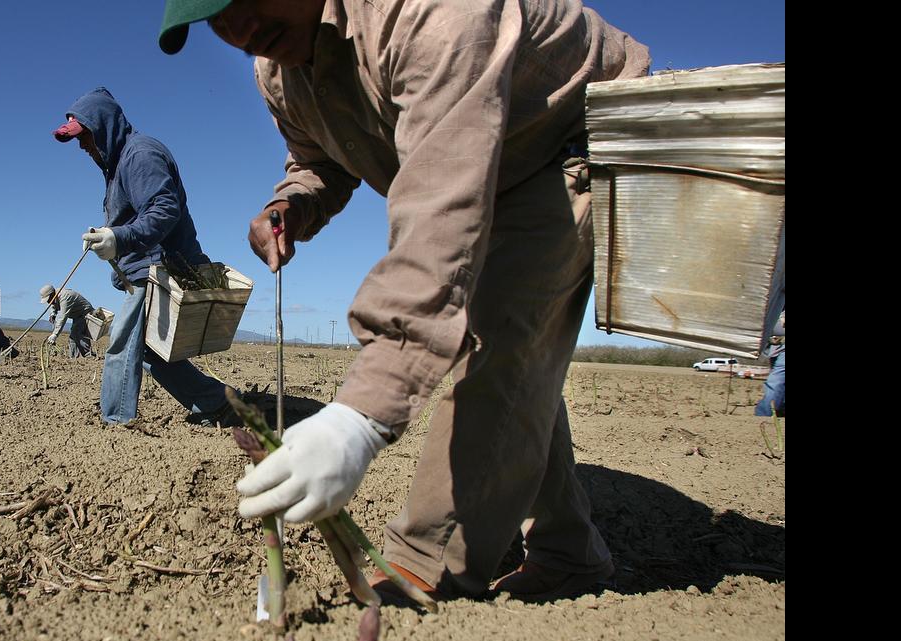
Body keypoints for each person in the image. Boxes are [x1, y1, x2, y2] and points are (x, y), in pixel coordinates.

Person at [157, 0, 650, 601]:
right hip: (487, 164)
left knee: (500, 334)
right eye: (215, 20)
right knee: (519, 357)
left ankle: (421, 572)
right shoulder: (276, 65)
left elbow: (437, 217)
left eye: (243, 1)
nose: (240, 30)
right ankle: (570, 553)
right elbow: (319, 159)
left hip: (562, 142)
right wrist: (293, 204)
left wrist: (358, 419)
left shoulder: (431, 12)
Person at [54, 87, 238, 427]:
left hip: (159, 267)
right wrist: (108, 233)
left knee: (122, 343)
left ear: (103, 128)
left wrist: (119, 237)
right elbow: (137, 214)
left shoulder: (139, 155)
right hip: (149, 266)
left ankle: (117, 421)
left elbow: (164, 209)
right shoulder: (120, 162)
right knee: (152, 351)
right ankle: (217, 401)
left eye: (85, 137)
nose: (82, 146)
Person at [40, 284, 96, 358]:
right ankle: (74, 357)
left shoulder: (65, 297)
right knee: (73, 337)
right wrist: (53, 313)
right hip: (77, 316)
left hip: (85, 313)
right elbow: (53, 304)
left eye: (48, 299)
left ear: (52, 294)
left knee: (77, 333)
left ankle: (88, 355)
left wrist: (55, 334)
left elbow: (62, 317)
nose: (48, 302)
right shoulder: (55, 296)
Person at [755, 308, 784, 417]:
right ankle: (779, 409)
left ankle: (764, 413)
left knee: (777, 381)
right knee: (780, 381)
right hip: (776, 345)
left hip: (781, 346)